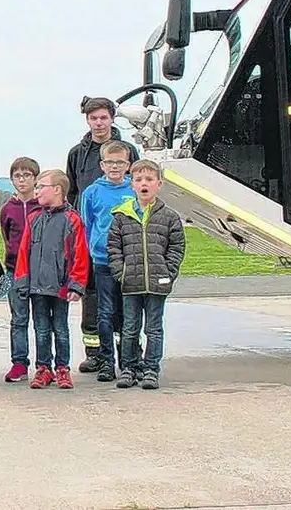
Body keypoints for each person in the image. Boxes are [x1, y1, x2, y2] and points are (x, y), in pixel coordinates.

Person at [64, 96, 139, 374]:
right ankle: (95, 353)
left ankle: (127, 354)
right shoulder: (77, 153)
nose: (99, 123)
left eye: (103, 118)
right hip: (92, 241)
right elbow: (73, 193)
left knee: (124, 302)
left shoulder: (128, 149)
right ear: (87, 120)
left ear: (112, 119)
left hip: (125, 246)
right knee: (93, 299)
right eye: (93, 118)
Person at [109, 159, 186, 390]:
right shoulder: (121, 216)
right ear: (132, 184)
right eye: (139, 179)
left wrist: (168, 272)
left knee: (153, 328)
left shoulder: (169, 217)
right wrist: (121, 272)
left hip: (157, 283)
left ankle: (151, 368)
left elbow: (176, 246)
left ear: (159, 184)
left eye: (149, 179)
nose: (144, 184)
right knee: (130, 328)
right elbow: (114, 247)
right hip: (131, 283)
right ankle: (129, 368)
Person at [14, 169, 89, 390]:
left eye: (40, 186)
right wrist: (22, 281)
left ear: (57, 190)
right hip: (37, 287)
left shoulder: (72, 219)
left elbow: (80, 254)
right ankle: (43, 368)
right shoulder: (34, 218)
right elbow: (24, 253)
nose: (36, 190)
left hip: (61, 287)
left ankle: (62, 368)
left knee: (61, 328)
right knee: (41, 329)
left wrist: (76, 284)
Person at [78, 141, 138, 382]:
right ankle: (106, 360)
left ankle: (130, 361)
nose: (115, 167)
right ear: (102, 165)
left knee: (129, 312)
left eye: (120, 162)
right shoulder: (92, 192)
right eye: (110, 162)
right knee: (105, 312)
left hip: (130, 260)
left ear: (128, 165)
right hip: (102, 260)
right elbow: (87, 224)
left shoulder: (133, 190)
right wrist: (92, 251)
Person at [0, 156, 40, 383]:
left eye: (27, 176)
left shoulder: (42, 206)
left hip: (41, 271)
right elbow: (6, 236)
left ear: (35, 179)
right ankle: (19, 363)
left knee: (43, 320)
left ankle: (46, 364)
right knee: (19, 318)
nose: (22, 180)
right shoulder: (7, 209)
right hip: (16, 270)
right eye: (17, 176)